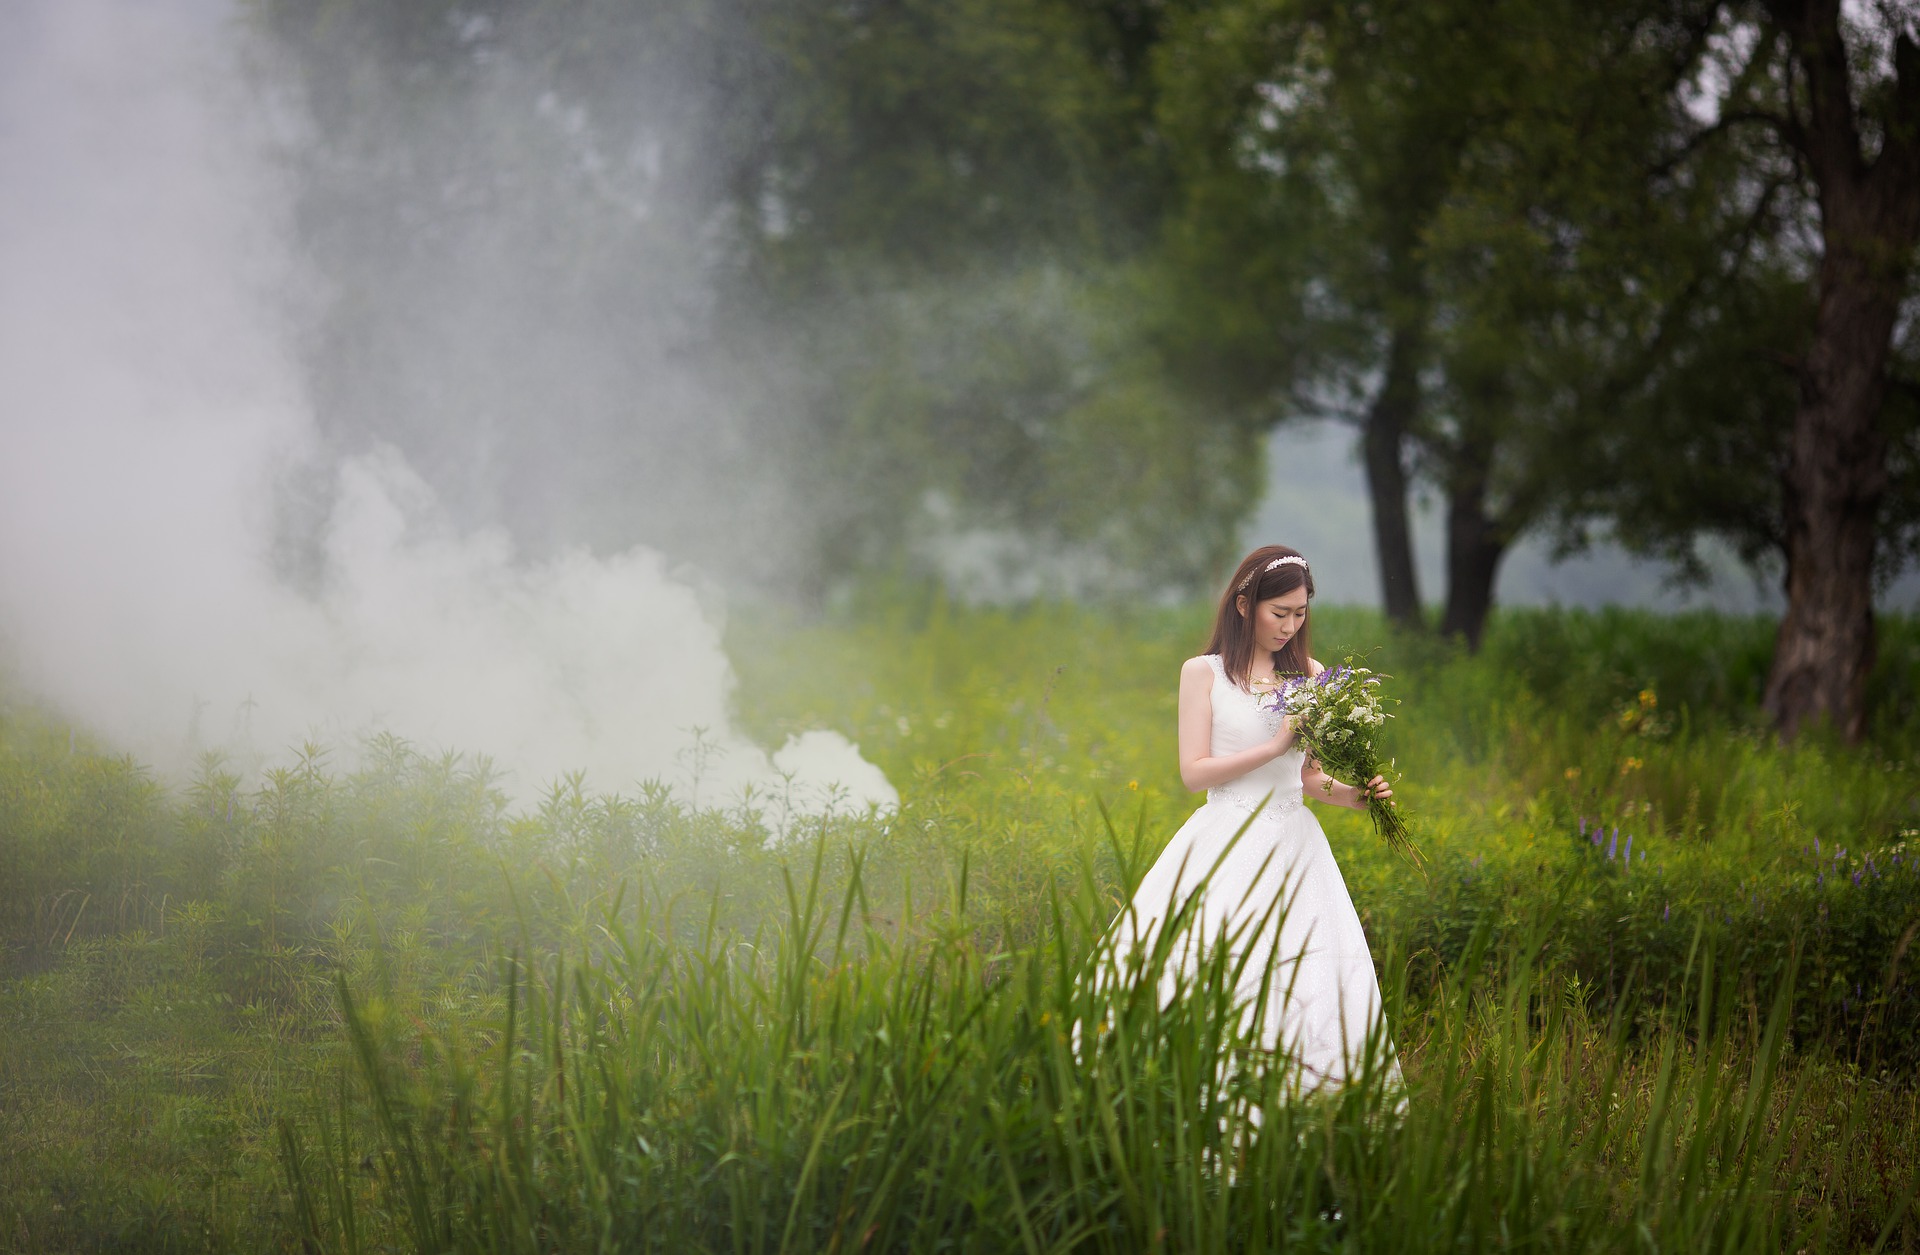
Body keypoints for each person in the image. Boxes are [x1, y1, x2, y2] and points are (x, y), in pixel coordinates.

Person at [1101, 544, 1397, 1092]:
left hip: (1294, 845)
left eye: (1300, 613)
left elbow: (1305, 778)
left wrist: (1359, 796)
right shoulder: (1204, 673)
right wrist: (1274, 744)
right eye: (1278, 612)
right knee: (1214, 963)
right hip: (1224, 838)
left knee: (1303, 971)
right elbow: (1195, 772)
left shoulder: (1310, 674)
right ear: (1244, 605)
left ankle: (1304, 1098)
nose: (1290, 626)